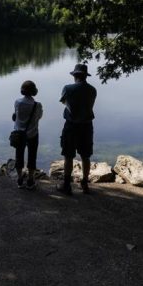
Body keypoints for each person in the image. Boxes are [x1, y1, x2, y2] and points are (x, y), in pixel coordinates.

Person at [57, 63, 97, 195]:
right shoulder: (93, 90)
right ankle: (85, 183)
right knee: (86, 156)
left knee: (68, 156)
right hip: (87, 126)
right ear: (85, 76)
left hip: (71, 126)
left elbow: (64, 102)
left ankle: (66, 185)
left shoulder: (67, 88)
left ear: (74, 75)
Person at [12, 80, 43, 189]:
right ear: (34, 91)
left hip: (19, 134)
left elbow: (15, 116)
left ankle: (20, 179)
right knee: (32, 156)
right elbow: (39, 117)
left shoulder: (17, 102)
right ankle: (30, 180)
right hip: (33, 134)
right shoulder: (37, 105)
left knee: (19, 156)